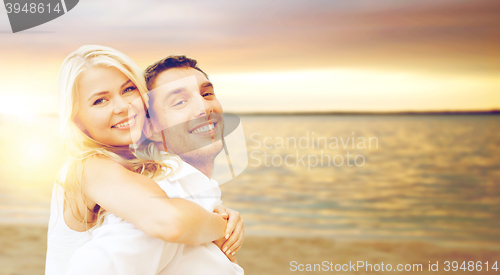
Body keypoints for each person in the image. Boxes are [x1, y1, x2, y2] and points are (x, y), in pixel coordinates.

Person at [45, 45, 242, 274]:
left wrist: (211, 210)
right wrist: (222, 224)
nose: (123, 107)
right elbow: (171, 221)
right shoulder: (88, 167)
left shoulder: (143, 166)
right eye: (100, 101)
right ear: (78, 120)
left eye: (128, 90)